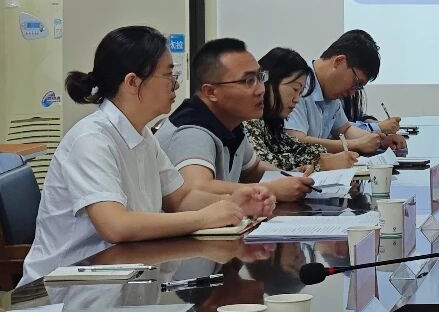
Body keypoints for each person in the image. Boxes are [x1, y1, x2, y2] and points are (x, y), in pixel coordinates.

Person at [19, 26, 274, 286]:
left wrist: (233, 203)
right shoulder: (91, 139)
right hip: (63, 288)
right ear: (132, 82)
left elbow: (180, 199)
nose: (176, 83)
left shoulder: (142, 134)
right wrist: (204, 218)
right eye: (168, 75)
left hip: (121, 277)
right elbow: (115, 225)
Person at [156, 38, 316, 202]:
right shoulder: (191, 130)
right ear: (211, 92)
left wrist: (290, 177)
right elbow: (198, 188)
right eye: (248, 81)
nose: (261, 90)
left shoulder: (231, 123)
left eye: (260, 77)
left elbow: (252, 169)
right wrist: (270, 189)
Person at [284, 30, 405, 154]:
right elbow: (297, 142)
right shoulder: (298, 83)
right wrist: (356, 144)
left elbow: (345, 130)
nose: (353, 93)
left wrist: (381, 141)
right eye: (356, 83)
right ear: (339, 61)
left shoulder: (330, 94)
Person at [245, 47, 359, 172]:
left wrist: (322, 156)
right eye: (295, 89)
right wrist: (320, 163)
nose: (297, 100)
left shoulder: (272, 122)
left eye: (300, 92)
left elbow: (295, 147)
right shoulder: (248, 118)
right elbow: (261, 163)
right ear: (268, 81)